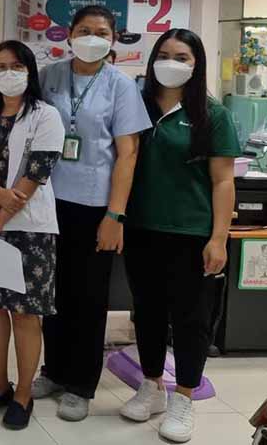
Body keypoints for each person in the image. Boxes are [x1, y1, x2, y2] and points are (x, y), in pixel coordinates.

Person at [32, 5, 152, 421]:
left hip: (94, 205)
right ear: (69, 35)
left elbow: (128, 153)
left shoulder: (121, 86)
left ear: (113, 39)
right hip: (47, 202)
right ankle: (54, 370)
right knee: (51, 292)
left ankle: (81, 384)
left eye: (101, 32)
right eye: (84, 30)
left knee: (88, 297)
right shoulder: (49, 76)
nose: (92, 38)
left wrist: (115, 216)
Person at [119, 29, 239, 443]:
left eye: (182, 57)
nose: (171, 63)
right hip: (141, 229)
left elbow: (223, 181)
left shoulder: (211, 115)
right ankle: (151, 385)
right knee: (147, 311)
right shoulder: (137, 107)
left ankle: (184, 397)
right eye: (164, 54)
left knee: (191, 319)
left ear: (196, 64)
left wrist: (218, 238)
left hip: (192, 234)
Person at [0, 41, 64, 431]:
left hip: (30, 229)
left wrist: (0, 218)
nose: (8, 73)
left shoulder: (46, 115)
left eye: (16, 66)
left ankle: (23, 393)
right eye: (1, 66)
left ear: (29, 72)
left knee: (25, 313)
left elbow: (37, 172)